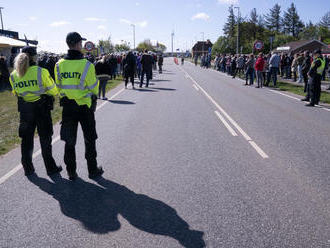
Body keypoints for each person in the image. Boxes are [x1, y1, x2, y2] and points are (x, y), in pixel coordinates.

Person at [54, 32, 103, 180]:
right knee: (89, 139)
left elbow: (58, 87)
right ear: (78, 44)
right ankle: (92, 170)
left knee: (69, 141)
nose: (82, 45)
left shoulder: (58, 64)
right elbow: (94, 87)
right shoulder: (87, 65)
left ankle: (71, 172)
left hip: (68, 107)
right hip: (84, 107)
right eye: (81, 43)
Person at [9, 46, 62, 177]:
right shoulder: (41, 71)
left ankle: (28, 168)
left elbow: (16, 93)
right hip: (41, 110)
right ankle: (51, 168)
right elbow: (54, 90)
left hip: (25, 111)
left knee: (26, 141)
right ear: (34, 57)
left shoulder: (14, 75)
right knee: (45, 139)